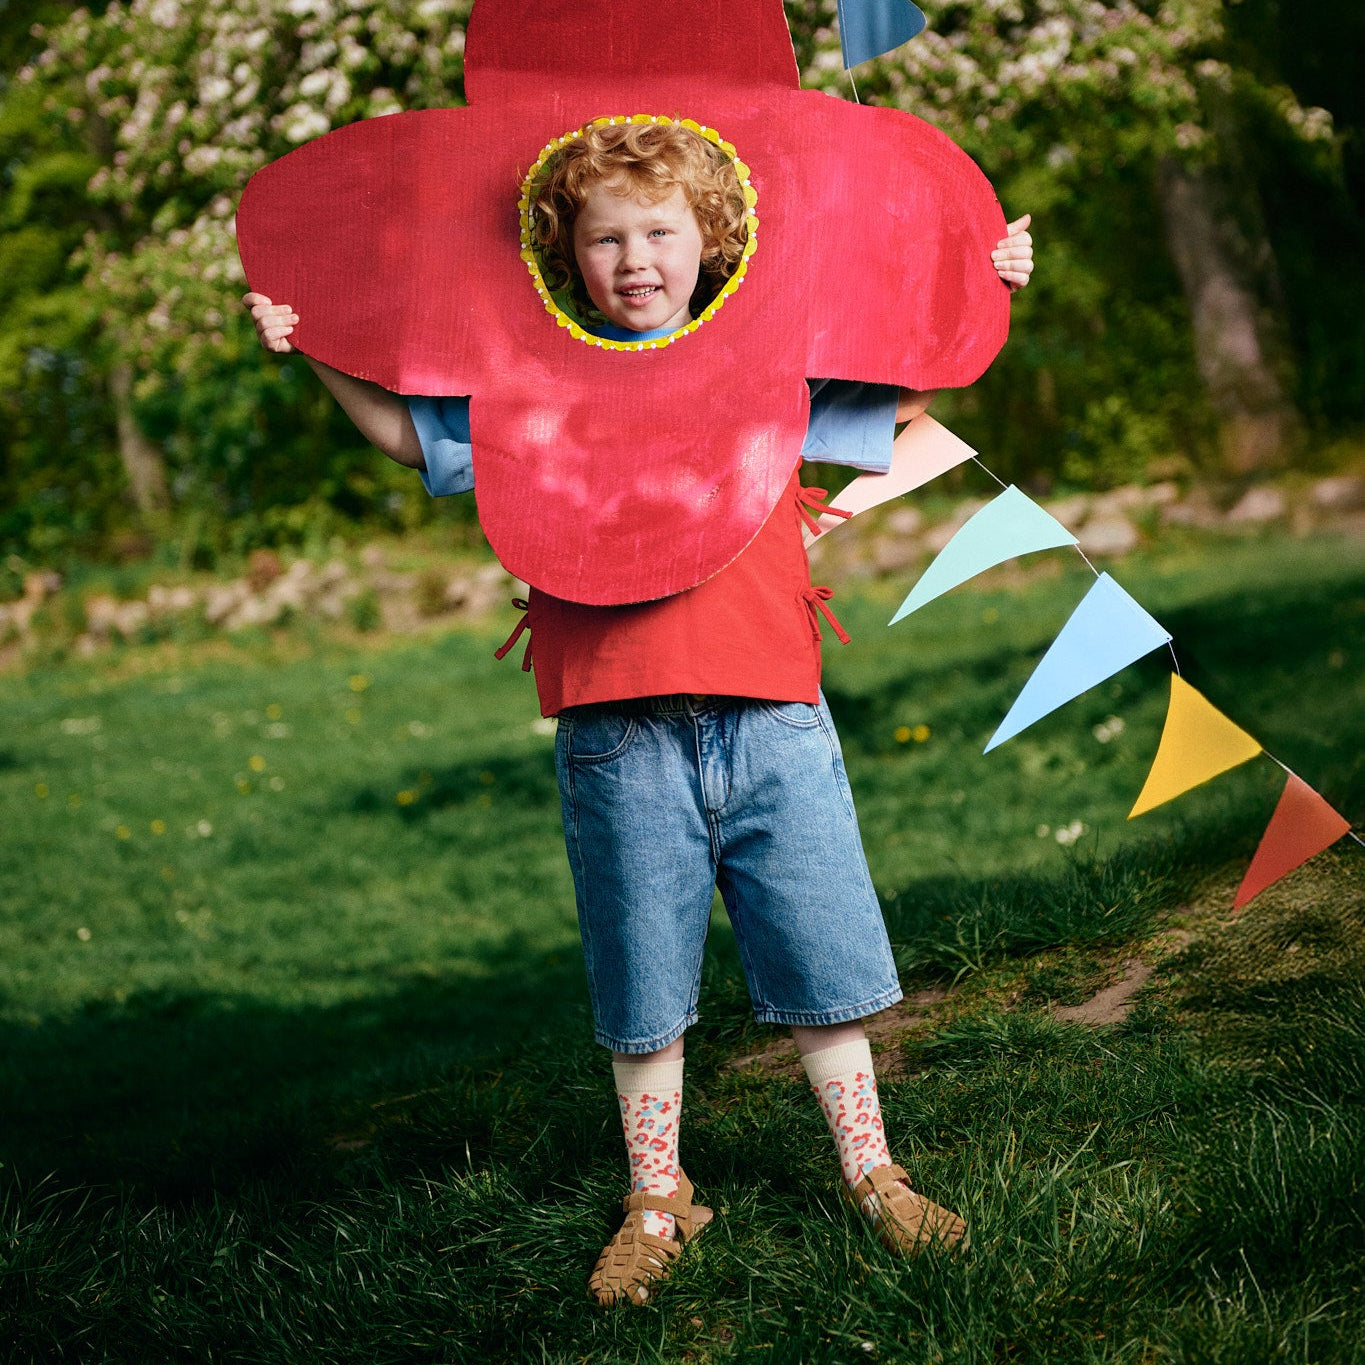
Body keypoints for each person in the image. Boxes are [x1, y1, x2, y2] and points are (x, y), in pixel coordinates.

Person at [244, 120, 1033, 1307]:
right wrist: (308, 349)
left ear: (709, 240)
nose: (634, 259)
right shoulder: (529, 382)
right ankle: (659, 1196)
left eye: (659, 232)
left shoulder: (767, 363)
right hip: (615, 727)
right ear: (565, 251)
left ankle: (873, 1170)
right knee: (642, 981)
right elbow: (412, 434)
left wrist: (987, 275)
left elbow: (920, 374)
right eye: (604, 238)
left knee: (824, 957)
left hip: (770, 711)